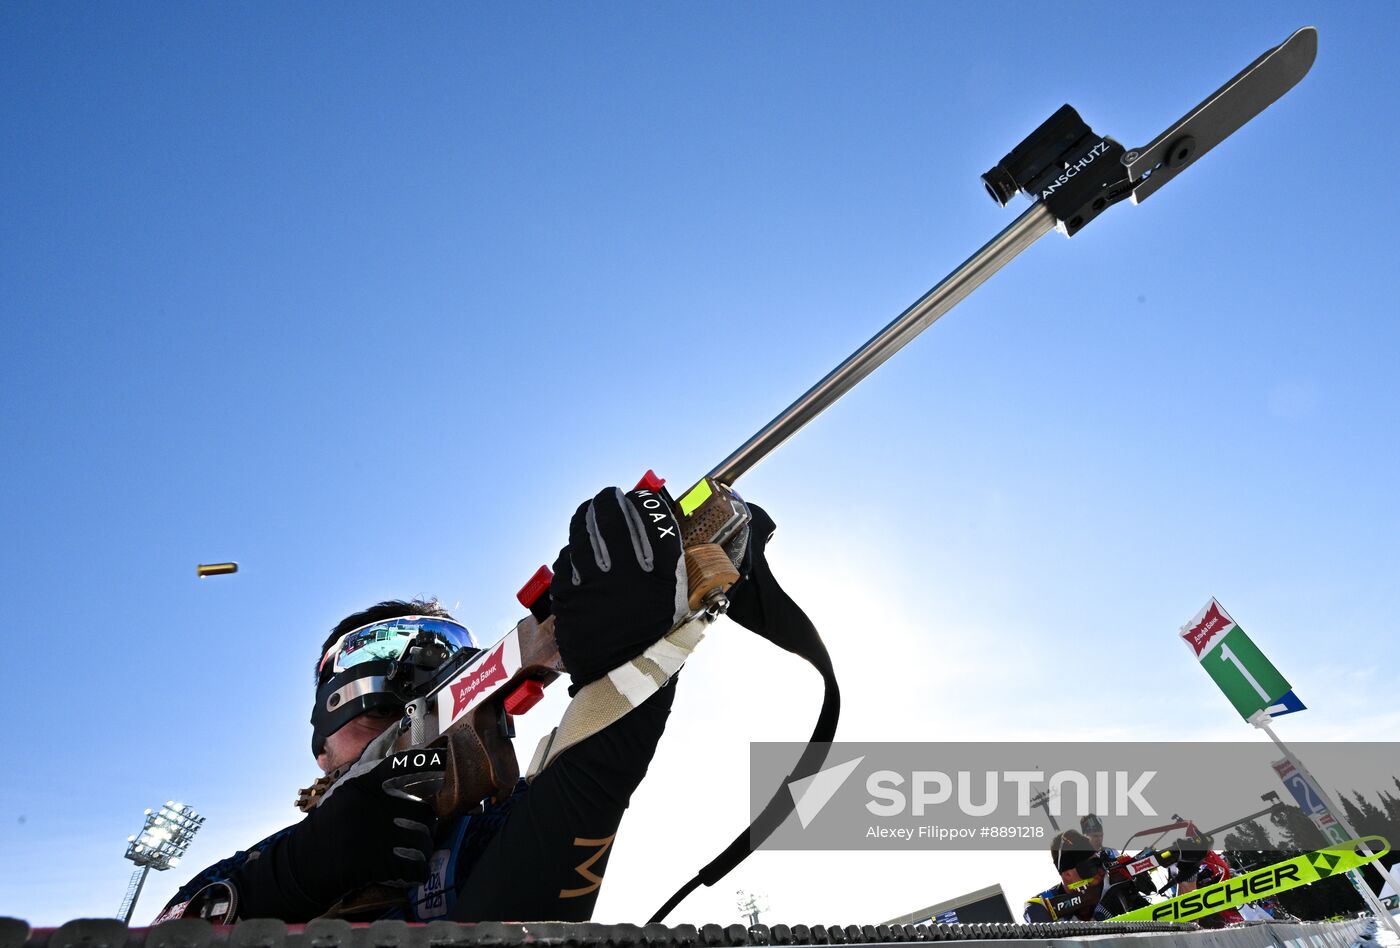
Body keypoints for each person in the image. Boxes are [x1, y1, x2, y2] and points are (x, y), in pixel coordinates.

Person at [159, 485, 758, 923]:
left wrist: (629, 666)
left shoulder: (487, 829)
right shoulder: (248, 867)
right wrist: (291, 876)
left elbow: (536, 905)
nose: (416, 664)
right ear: (322, 743)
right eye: (378, 647)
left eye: (448, 649)